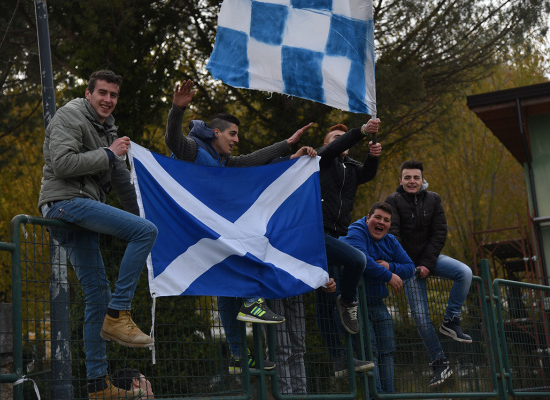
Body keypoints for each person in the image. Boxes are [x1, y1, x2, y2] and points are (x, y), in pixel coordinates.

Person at [165, 79, 316, 373]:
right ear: (216, 132)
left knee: (225, 285)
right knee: (247, 239)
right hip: (187, 226)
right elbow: (173, 140)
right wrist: (177, 109)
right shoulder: (194, 149)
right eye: (232, 134)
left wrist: (287, 146)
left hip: (205, 232)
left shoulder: (223, 162)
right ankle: (251, 301)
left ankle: (237, 355)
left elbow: (251, 161)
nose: (236, 140)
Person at [37, 70, 158, 399]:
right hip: (64, 204)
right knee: (145, 233)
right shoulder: (70, 115)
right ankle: (118, 315)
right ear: (88, 93)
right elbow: (61, 164)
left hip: (83, 210)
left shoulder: (108, 128)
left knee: (97, 295)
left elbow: (121, 180)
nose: (108, 100)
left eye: (113, 95)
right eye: (102, 93)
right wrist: (108, 153)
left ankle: (97, 386)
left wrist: (139, 217)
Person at [385, 160, 473, 388]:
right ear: (400, 181)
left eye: (416, 177)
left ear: (422, 180)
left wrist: (426, 263)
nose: (412, 181)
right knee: (421, 319)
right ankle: (439, 363)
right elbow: (393, 236)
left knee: (465, 272)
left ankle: (451, 320)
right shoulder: (392, 201)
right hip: (406, 265)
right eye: (407, 177)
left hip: (429, 259)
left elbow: (439, 233)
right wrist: (409, 265)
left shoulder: (434, 199)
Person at [314, 120, 381, 376]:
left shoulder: (351, 168)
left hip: (332, 234)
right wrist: (359, 132)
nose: (339, 140)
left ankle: (340, 360)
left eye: (342, 137)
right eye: (334, 137)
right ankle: (348, 299)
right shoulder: (322, 159)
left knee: (324, 300)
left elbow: (368, 174)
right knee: (357, 260)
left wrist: (373, 157)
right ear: (326, 143)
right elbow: (332, 150)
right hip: (314, 232)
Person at [341, 201, 415, 394]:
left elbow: (409, 267)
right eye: (377, 217)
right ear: (367, 219)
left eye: (386, 220)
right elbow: (362, 260)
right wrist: (388, 276)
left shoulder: (390, 241)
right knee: (370, 349)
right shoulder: (356, 231)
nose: (381, 222)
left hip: (377, 302)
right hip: (355, 302)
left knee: (388, 349)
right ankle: (376, 395)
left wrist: (390, 267)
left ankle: (388, 395)